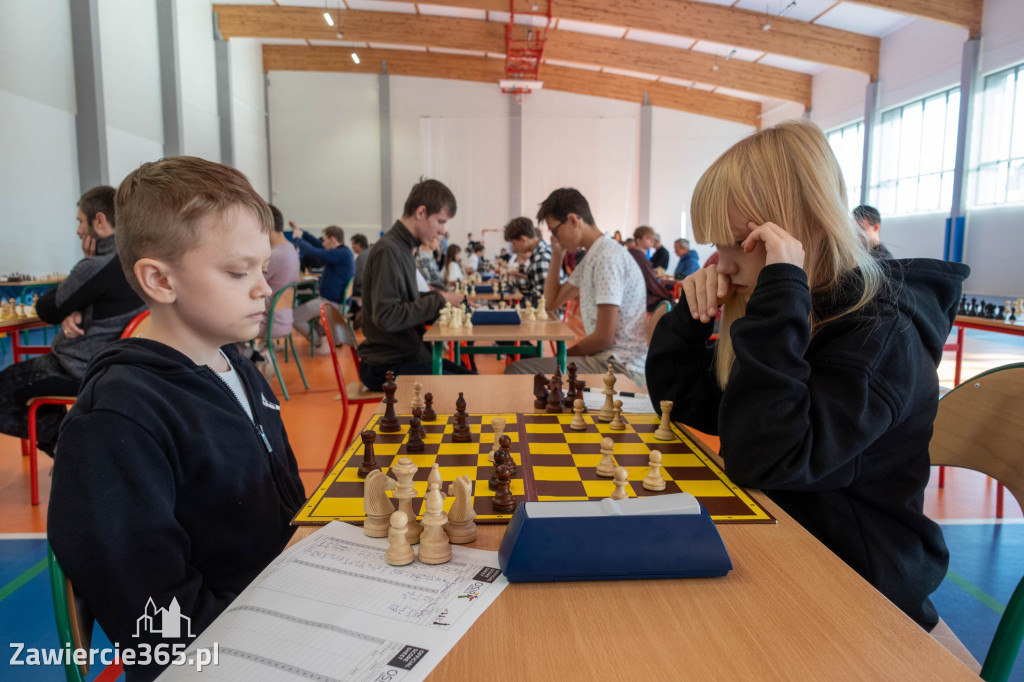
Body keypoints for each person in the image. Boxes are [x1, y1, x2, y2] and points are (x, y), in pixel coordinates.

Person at [646, 121, 969, 632]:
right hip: (781, 537)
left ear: (792, 233)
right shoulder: (796, 304)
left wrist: (777, 297)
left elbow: (765, 457)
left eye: (734, 243)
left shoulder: (881, 334)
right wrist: (689, 318)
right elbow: (690, 407)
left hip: (859, 586)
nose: (719, 263)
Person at [48, 157, 306, 681]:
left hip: (288, 605)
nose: (263, 288)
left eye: (262, 268)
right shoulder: (118, 420)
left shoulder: (233, 360)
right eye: (239, 272)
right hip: (227, 655)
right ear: (160, 280)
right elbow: (160, 628)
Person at [0, 186, 145, 456]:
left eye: (80, 221)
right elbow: (95, 299)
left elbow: (47, 310)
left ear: (99, 221)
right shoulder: (137, 261)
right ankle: (69, 443)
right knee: (31, 387)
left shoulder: (96, 267)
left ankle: (70, 446)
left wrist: (87, 262)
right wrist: (77, 307)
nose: (79, 230)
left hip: (76, 368)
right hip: (117, 368)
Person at [505, 188, 648, 387]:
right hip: (607, 359)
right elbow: (551, 302)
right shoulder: (594, 255)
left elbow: (604, 337)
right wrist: (557, 255)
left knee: (516, 371)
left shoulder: (606, 257)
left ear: (573, 220)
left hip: (621, 367)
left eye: (555, 230)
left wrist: (564, 356)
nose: (554, 237)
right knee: (521, 369)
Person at [357, 178, 471, 390]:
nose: (442, 231)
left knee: (477, 381)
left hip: (404, 356)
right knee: (471, 389)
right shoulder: (389, 250)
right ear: (421, 213)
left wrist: (442, 300)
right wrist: (438, 299)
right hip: (387, 366)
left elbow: (407, 302)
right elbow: (386, 317)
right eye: (440, 221)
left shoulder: (402, 248)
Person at [290, 223, 355, 351]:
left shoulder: (341, 254)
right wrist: (301, 232)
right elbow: (318, 245)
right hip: (331, 301)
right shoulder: (341, 251)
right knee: (304, 314)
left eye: (324, 240)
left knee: (293, 317)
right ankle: (324, 336)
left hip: (331, 304)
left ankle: (320, 343)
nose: (323, 243)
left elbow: (316, 252)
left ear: (333, 240)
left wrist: (298, 239)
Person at [261, 205, 300, 339]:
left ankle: (254, 354)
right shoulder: (291, 249)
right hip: (284, 317)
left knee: (222, 324)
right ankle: (258, 353)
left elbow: (248, 284)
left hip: (269, 322)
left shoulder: (275, 255)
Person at [503, 216, 552, 307]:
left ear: (523, 239)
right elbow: (534, 282)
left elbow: (543, 299)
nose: (514, 248)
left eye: (514, 243)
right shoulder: (538, 254)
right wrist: (512, 283)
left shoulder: (541, 258)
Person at [626, 231, 673, 313]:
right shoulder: (637, 255)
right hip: (640, 295)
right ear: (638, 240)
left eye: (652, 239)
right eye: (648, 238)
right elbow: (650, 281)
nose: (652, 241)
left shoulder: (639, 255)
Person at [350, 233, 370, 297]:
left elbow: (358, 279)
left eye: (353, 244)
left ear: (358, 244)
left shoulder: (361, 257)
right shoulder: (370, 253)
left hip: (361, 290)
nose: (352, 247)